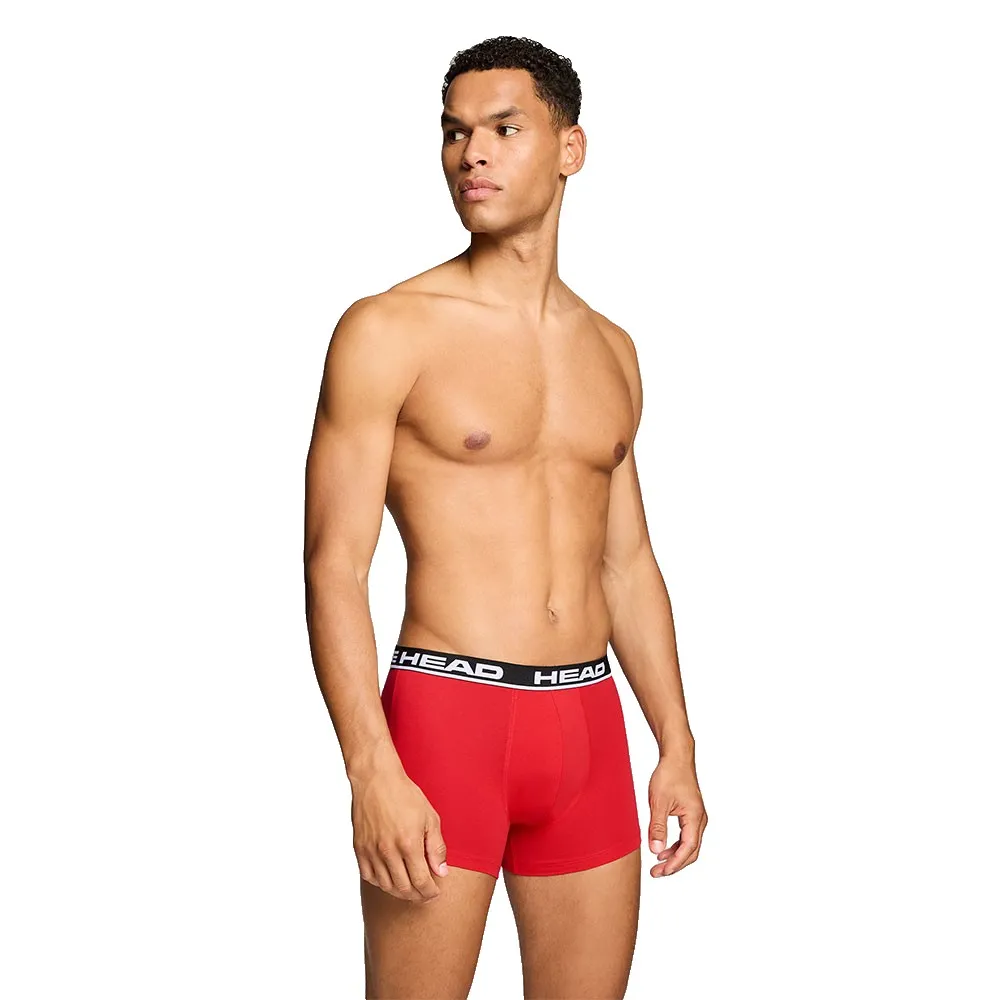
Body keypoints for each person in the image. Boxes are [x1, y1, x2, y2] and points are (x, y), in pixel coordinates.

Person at [304, 34, 707, 1000]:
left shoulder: (611, 349)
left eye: (503, 128)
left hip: (587, 728)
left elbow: (627, 563)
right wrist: (371, 768)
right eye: (454, 133)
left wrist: (677, 743)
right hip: (447, 722)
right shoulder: (389, 328)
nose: (471, 153)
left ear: (571, 148)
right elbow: (333, 563)